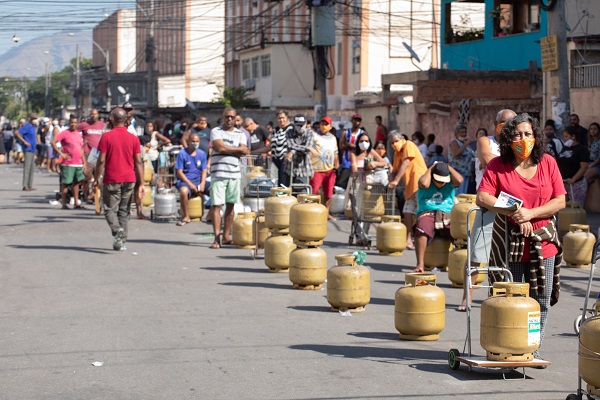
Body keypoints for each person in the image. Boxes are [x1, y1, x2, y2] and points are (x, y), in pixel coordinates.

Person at [477, 112, 566, 360]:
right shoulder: (498, 165)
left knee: (541, 301)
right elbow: (483, 197)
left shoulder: (548, 162)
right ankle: (510, 347)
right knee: (512, 300)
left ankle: (532, 349)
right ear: (507, 139)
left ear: (536, 137)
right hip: (511, 245)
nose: (523, 139)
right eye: (517, 135)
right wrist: (516, 212)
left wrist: (531, 214)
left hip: (544, 244)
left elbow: (560, 200)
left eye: (528, 134)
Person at [458, 109, 516, 311]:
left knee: (510, 254)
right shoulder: (486, 141)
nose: (508, 126)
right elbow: (489, 160)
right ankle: (468, 297)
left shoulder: (517, 144)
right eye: (504, 122)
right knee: (477, 253)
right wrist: (514, 165)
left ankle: (504, 295)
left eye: (512, 123)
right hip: (488, 202)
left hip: (510, 202)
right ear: (496, 123)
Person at [94, 107, 145, 251]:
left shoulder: (106, 136)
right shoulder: (133, 138)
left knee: (109, 209)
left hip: (112, 178)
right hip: (130, 179)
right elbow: (139, 162)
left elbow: (101, 160)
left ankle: (117, 231)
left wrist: (96, 177)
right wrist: (141, 183)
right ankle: (121, 242)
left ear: (112, 119)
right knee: (124, 210)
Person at [209, 108, 249, 249]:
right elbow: (219, 147)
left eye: (232, 117)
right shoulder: (216, 131)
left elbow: (244, 150)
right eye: (227, 117)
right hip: (219, 173)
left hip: (234, 173)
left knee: (231, 205)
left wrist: (227, 148)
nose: (230, 119)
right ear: (223, 117)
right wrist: (236, 150)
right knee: (217, 206)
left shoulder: (241, 134)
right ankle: (216, 238)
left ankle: (226, 236)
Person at [413, 162, 463, 273]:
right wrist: (431, 168)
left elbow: (459, 180)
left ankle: (459, 264)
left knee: (459, 233)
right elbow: (423, 184)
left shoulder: (450, 182)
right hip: (427, 212)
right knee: (422, 227)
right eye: (438, 180)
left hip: (446, 213)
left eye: (443, 181)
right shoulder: (425, 180)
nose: (441, 183)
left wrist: (447, 167)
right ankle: (420, 264)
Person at [387, 132, 428, 250]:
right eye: (391, 143)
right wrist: (391, 179)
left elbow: (406, 163)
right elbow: (394, 170)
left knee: (421, 213)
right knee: (407, 211)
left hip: (419, 183)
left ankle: (421, 239)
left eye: (395, 141)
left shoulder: (408, 145)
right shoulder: (397, 153)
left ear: (402, 139)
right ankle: (408, 239)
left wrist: (395, 181)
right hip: (409, 187)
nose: (394, 144)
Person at [51, 116, 86, 209]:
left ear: (77, 124)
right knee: (65, 183)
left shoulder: (79, 134)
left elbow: (81, 149)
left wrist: (84, 162)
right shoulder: (65, 133)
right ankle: (64, 203)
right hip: (68, 163)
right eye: (71, 122)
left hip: (78, 162)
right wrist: (61, 154)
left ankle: (76, 202)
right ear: (69, 123)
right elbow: (53, 142)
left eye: (75, 122)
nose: (73, 124)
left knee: (76, 183)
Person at [310, 116, 339, 220]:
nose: (323, 126)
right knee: (314, 192)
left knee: (328, 194)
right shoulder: (314, 135)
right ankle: (313, 213)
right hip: (316, 169)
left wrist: (337, 165)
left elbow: (335, 153)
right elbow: (309, 148)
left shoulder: (333, 138)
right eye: (322, 123)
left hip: (329, 170)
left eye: (326, 124)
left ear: (330, 126)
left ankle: (326, 213)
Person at [175, 132, 208, 226]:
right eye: (193, 141)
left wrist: (202, 183)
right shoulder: (182, 153)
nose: (195, 143)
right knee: (183, 191)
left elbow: (204, 170)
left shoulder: (202, 154)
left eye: (197, 141)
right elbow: (179, 172)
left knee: (215, 189)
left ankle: (210, 215)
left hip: (199, 179)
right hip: (186, 180)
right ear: (188, 141)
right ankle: (186, 216)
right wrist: (190, 184)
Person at [557, 126, 589, 206]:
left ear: (573, 136)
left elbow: (584, 166)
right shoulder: (564, 148)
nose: (564, 139)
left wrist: (573, 179)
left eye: (566, 136)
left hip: (576, 184)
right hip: (564, 183)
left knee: (575, 207)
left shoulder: (581, 149)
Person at [285, 114, 314, 193]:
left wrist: (292, 151)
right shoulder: (289, 132)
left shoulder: (309, 133)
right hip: (290, 168)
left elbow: (308, 147)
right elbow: (290, 145)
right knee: (289, 194)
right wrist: (298, 148)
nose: (300, 127)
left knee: (302, 194)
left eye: (302, 124)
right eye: (298, 125)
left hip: (303, 169)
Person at [338, 113, 365, 191]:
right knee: (342, 183)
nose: (356, 122)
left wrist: (350, 145)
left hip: (358, 162)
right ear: (352, 120)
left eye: (358, 120)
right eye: (355, 120)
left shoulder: (362, 133)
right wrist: (351, 146)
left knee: (357, 183)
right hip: (346, 161)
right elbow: (341, 146)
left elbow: (363, 147)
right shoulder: (346, 132)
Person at [448, 123, 475, 195]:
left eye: (465, 132)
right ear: (456, 133)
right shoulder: (454, 142)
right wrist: (465, 144)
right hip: (456, 172)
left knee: (463, 194)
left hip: (465, 172)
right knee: (457, 193)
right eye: (462, 132)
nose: (464, 134)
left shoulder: (464, 143)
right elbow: (456, 153)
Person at [13, 113, 38, 191]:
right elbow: (16, 133)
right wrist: (24, 141)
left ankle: (30, 184)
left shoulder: (33, 127)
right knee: (27, 167)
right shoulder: (27, 126)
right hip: (27, 149)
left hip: (33, 148)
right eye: (34, 119)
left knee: (32, 168)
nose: (35, 120)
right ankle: (25, 185)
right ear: (30, 119)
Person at [271, 110, 292, 187]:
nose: (281, 120)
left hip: (285, 161)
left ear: (286, 118)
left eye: (283, 118)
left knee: (283, 183)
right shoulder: (275, 130)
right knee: (274, 182)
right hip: (275, 160)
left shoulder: (291, 129)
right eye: (279, 118)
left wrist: (291, 153)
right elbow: (271, 146)